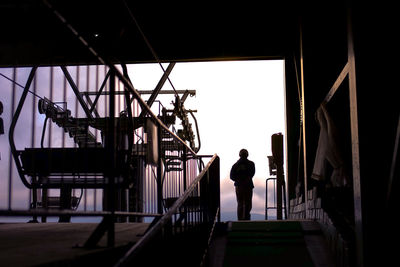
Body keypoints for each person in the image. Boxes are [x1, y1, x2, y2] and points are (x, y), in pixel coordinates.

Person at [230, 149, 255, 220]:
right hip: (248, 185)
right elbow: (252, 173)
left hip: (239, 186)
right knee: (248, 203)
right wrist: (246, 179)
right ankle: (246, 218)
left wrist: (238, 180)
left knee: (240, 203)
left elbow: (231, 176)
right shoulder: (251, 164)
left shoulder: (235, 165)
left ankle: (240, 219)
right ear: (247, 155)